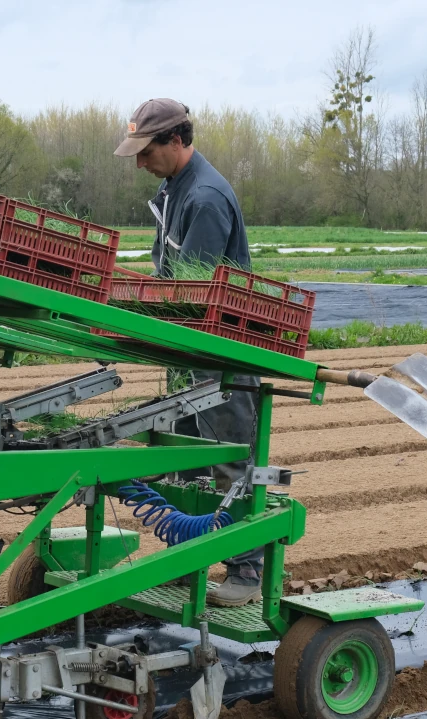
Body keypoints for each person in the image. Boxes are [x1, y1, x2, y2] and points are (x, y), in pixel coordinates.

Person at [114, 98, 263, 607]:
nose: (139, 162)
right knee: (185, 459)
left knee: (228, 459)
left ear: (175, 140)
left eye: (146, 151)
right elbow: (168, 277)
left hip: (220, 352)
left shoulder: (205, 199)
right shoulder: (174, 188)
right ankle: (189, 556)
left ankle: (246, 570)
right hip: (187, 348)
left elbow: (190, 292)